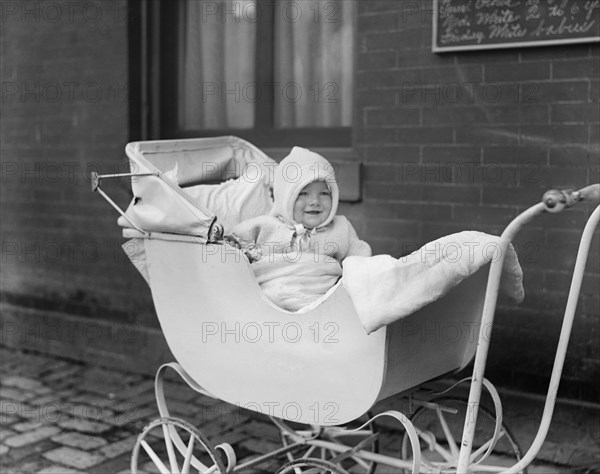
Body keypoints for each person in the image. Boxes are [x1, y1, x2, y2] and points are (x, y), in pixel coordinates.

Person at [226, 146, 371, 311]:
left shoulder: (341, 228)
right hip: (270, 301)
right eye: (303, 194)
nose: (315, 201)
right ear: (285, 197)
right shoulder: (264, 226)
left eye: (323, 193)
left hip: (324, 302)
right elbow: (232, 246)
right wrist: (235, 248)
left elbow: (361, 261)